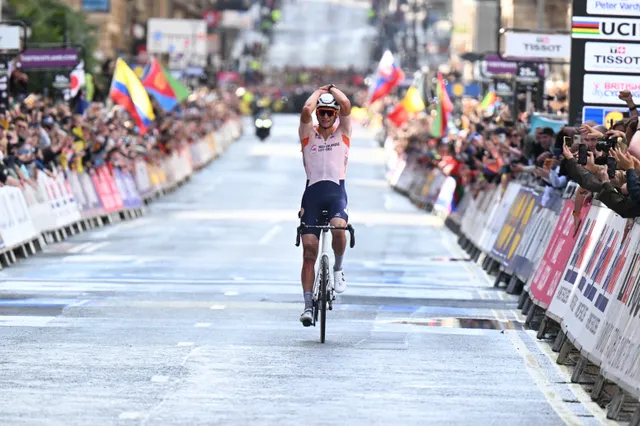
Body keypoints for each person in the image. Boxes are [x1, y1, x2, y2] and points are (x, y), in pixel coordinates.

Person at [297, 84, 352, 326]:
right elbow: (305, 110)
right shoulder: (309, 132)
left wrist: (333, 89)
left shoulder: (344, 133)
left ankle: (338, 270)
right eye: (323, 112)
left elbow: (348, 106)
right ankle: (308, 306)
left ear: (336, 115)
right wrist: (319, 93)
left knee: (339, 227)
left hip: (336, 193)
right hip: (312, 195)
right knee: (309, 251)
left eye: (331, 112)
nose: (326, 116)